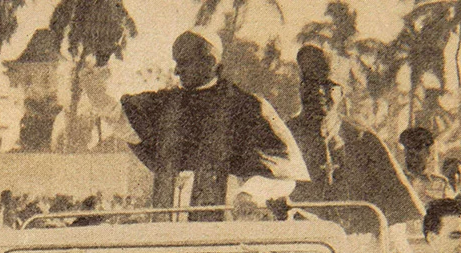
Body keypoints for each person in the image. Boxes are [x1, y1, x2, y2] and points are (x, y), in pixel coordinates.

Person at [82, 29, 308, 213]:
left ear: (211, 62)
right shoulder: (166, 104)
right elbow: (116, 114)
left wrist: (248, 194)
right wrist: (99, 66)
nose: (177, 71)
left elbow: (285, 174)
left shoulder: (248, 107)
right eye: (176, 62)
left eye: (185, 62)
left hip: (224, 229)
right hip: (169, 224)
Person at [287, 45, 423, 228]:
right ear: (300, 89)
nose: (319, 91)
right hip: (297, 241)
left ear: (342, 93)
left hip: (355, 244)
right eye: (311, 84)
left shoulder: (364, 140)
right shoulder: (283, 137)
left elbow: (402, 205)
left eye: (328, 85)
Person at [400, 127, 455, 204]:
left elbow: (451, 213)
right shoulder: (396, 180)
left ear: (429, 152)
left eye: (418, 147)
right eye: (408, 147)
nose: (413, 151)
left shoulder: (441, 185)